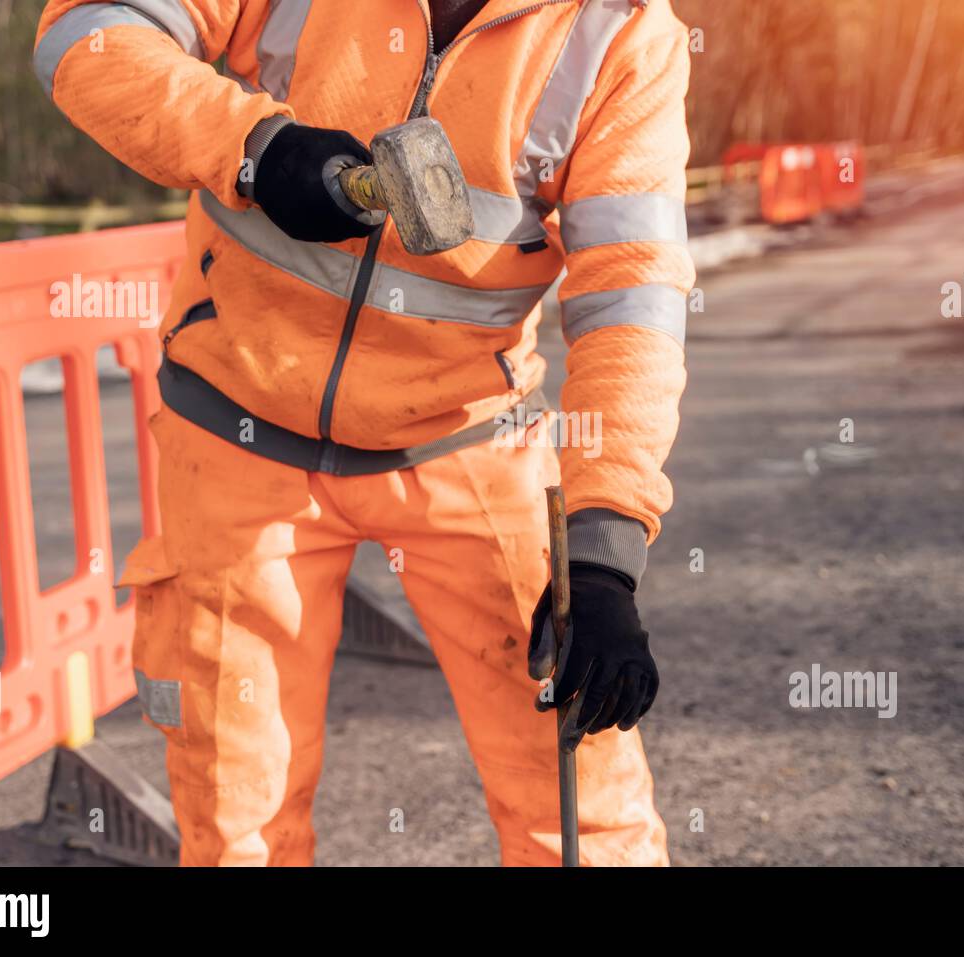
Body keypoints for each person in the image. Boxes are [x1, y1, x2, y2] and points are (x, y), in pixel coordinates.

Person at [34, 0, 693, 866]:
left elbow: (630, 298)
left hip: (464, 440)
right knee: (238, 815)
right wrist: (254, 147)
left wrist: (604, 550)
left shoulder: (622, 34)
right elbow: (85, 33)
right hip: (237, 430)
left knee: (578, 798)